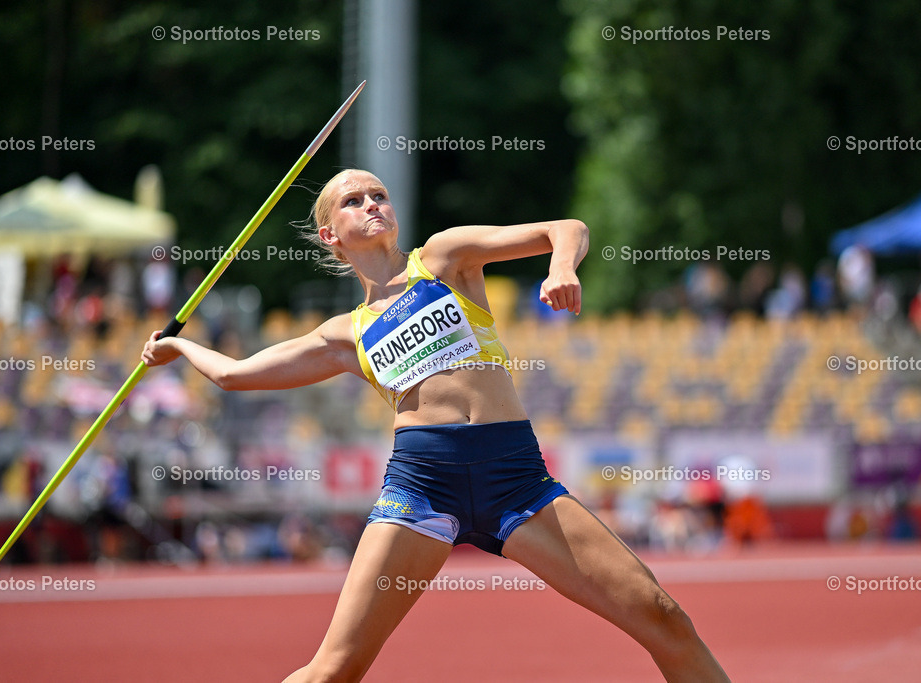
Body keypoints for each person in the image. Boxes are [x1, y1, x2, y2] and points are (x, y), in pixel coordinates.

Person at [141, 169, 730, 682]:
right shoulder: (344, 334)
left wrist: (560, 267)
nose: (371, 204)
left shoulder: (444, 258)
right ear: (329, 236)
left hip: (516, 481)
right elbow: (235, 375)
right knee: (333, 670)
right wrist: (180, 348)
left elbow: (566, 227)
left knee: (661, 614)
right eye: (353, 201)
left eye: (379, 195)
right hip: (421, 487)